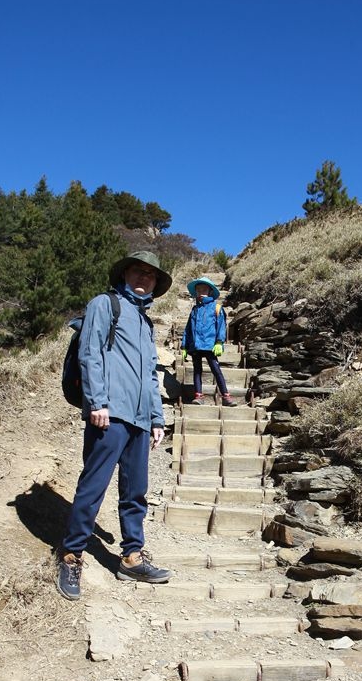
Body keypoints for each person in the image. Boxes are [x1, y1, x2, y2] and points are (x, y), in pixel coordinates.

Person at [57, 250, 172, 600]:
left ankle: (131, 557)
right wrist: (97, 401)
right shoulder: (105, 305)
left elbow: (151, 376)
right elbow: (89, 353)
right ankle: (72, 554)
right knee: (93, 487)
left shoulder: (144, 321)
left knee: (135, 491)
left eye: (150, 276)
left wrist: (156, 418)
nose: (143, 279)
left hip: (139, 420)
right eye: (138, 272)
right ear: (124, 274)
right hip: (109, 414)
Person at [181, 277, 237, 406]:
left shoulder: (216, 308)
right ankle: (198, 396)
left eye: (204, 289)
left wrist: (219, 342)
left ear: (210, 291)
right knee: (197, 370)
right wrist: (184, 346)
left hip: (210, 345)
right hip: (195, 345)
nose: (201, 292)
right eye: (199, 290)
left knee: (216, 369)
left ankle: (226, 396)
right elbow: (188, 329)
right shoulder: (194, 310)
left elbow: (221, 326)